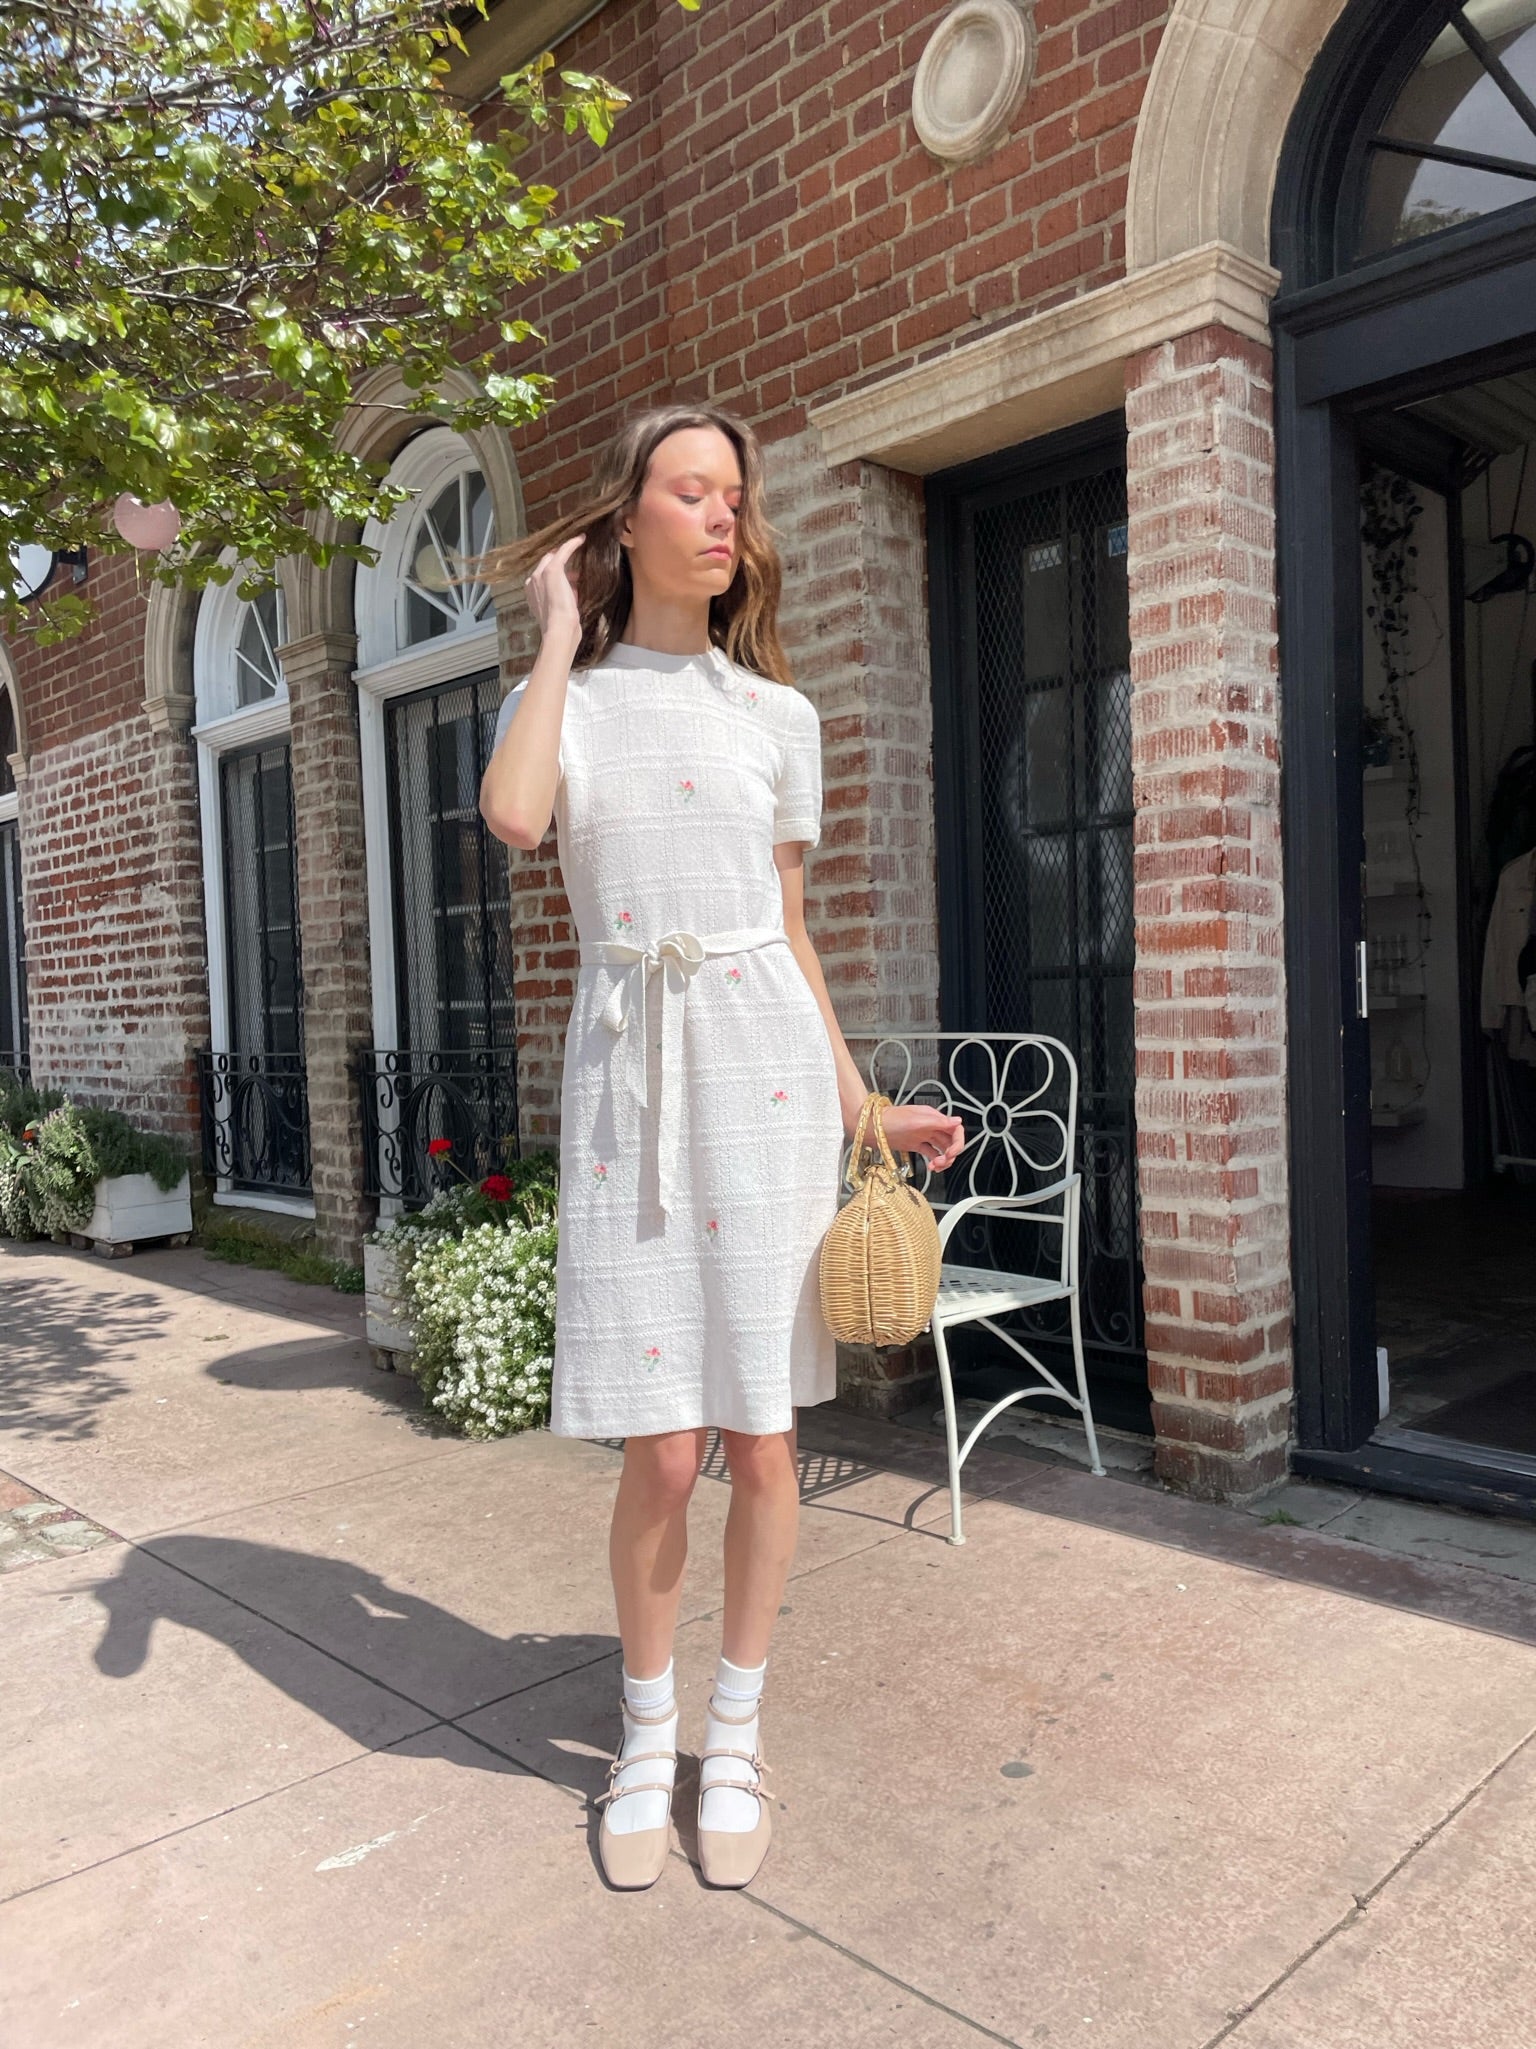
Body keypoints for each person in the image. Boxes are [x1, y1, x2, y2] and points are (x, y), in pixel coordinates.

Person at [474, 404, 964, 1892]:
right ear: (627, 519)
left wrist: (859, 1105)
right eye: (687, 490)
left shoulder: (780, 718)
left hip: (755, 1069)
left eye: (730, 496)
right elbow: (510, 815)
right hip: (635, 1081)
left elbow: (795, 937)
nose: (716, 515)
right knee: (665, 1447)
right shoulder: (573, 698)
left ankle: (733, 1730)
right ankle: (644, 1729)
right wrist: (556, 635)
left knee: (763, 1436)